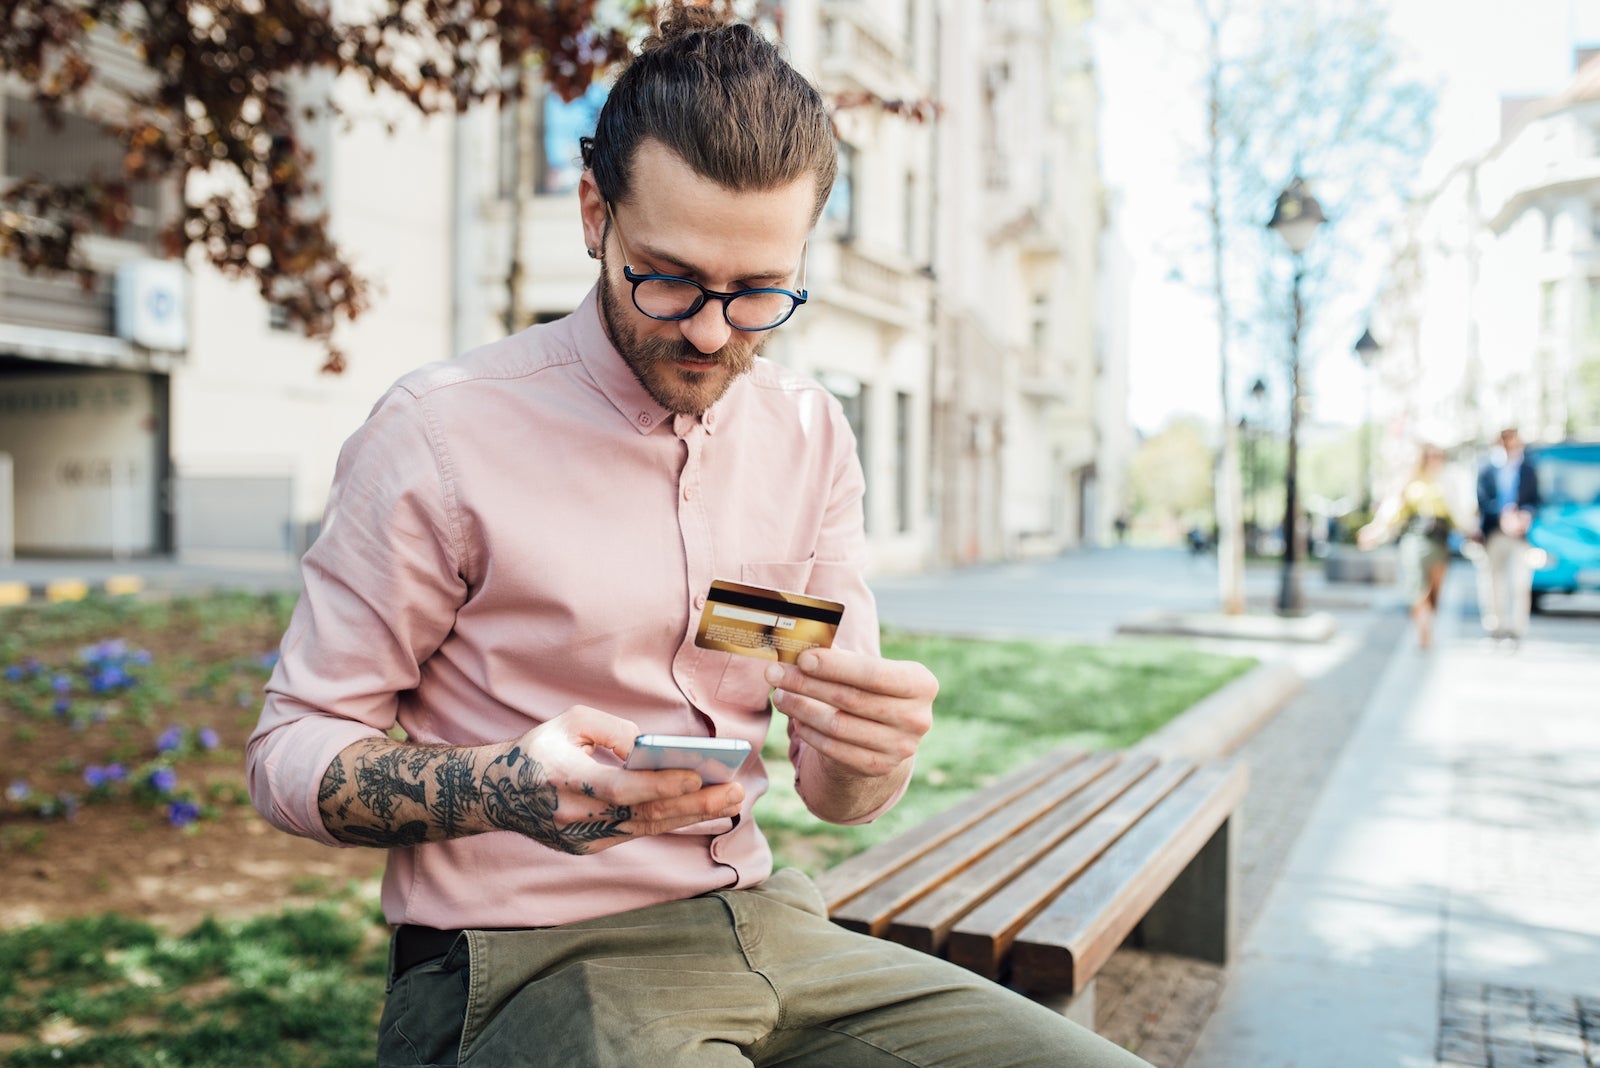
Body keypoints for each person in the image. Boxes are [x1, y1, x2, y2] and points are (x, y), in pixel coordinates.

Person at [245, 8, 1148, 1067]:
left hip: (772, 928)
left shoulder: (809, 434)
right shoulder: (437, 435)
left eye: (761, 291)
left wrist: (871, 756)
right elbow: (290, 751)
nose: (714, 330)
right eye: (667, 277)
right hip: (518, 958)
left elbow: (833, 793)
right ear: (595, 213)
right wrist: (506, 787)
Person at [1359, 444, 1469, 650]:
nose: (1433, 461)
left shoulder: (1447, 483)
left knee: (1435, 591)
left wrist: (1470, 532)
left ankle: (1428, 621)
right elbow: (1394, 512)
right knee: (1416, 586)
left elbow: (1459, 515)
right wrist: (1375, 530)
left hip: (1440, 541)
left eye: (1437, 456)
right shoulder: (1411, 483)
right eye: (1429, 457)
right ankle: (1423, 629)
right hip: (1415, 539)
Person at [1474, 426, 1540, 645]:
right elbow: (1482, 501)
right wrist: (1503, 516)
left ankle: (1517, 628)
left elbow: (1535, 500)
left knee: (1520, 582)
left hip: (1520, 536)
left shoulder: (1528, 469)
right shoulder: (1486, 469)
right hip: (1495, 533)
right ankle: (1496, 627)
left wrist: (1524, 515)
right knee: (1493, 582)